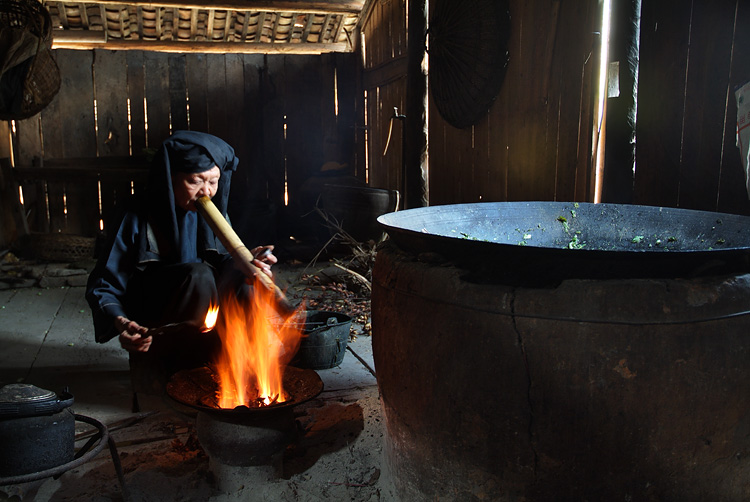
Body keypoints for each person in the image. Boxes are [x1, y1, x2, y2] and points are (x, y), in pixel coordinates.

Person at [86, 130, 276, 373]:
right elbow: (104, 284)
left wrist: (248, 263)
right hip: (158, 320)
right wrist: (120, 320)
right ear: (170, 178)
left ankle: (237, 368)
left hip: (206, 315)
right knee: (199, 275)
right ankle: (184, 371)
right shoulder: (136, 213)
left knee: (245, 281)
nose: (206, 191)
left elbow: (223, 263)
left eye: (213, 181)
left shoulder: (214, 213)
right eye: (195, 180)